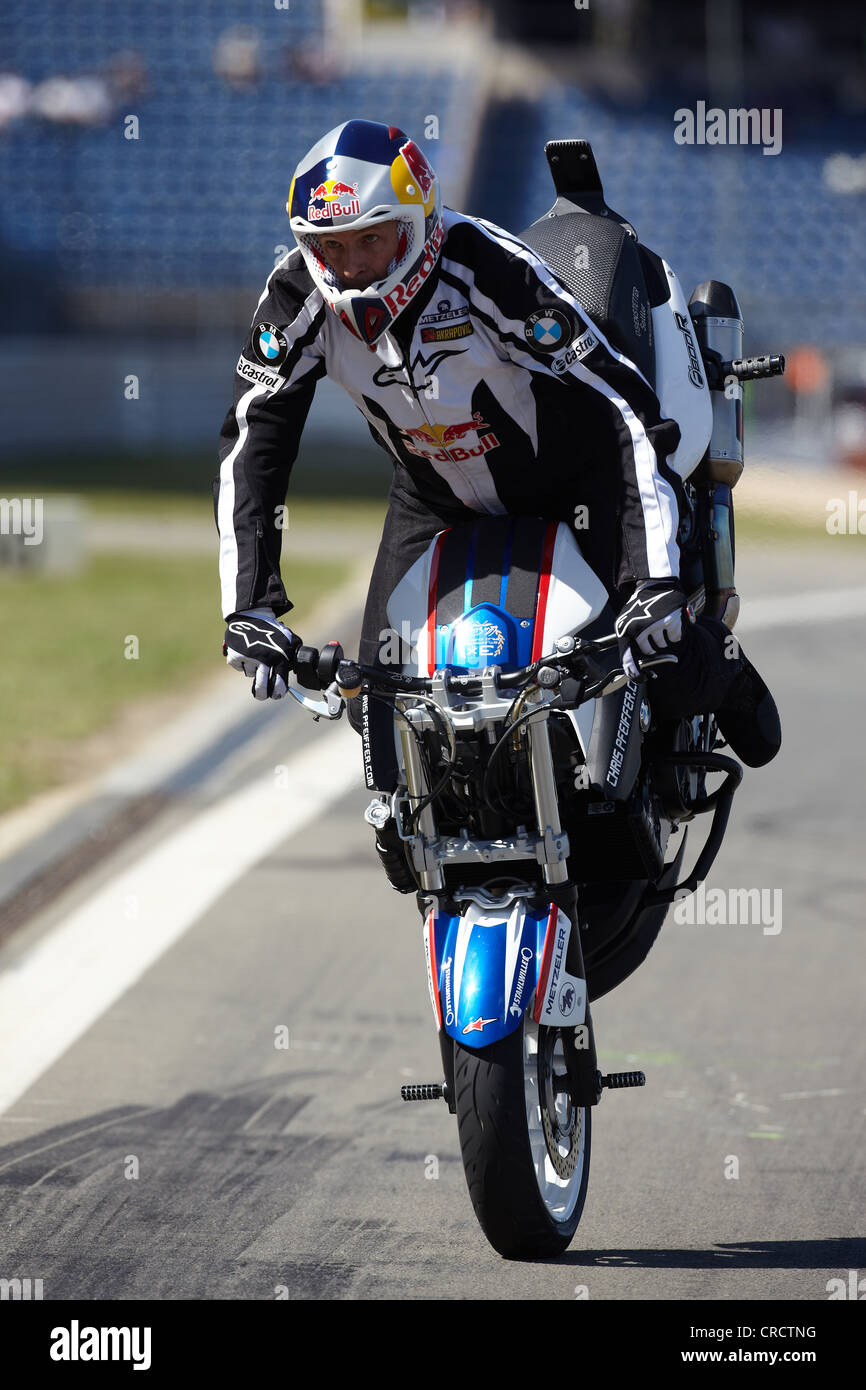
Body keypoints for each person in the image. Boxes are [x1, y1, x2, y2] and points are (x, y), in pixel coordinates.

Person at [215, 120, 780, 873]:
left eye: (371, 241)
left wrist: (654, 584)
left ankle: (725, 668)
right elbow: (250, 441)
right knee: (382, 713)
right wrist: (248, 607)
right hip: (433, 496)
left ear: (417, 227)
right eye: (331, 248)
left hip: (573, 480)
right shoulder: (294, 298)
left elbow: (621, 403)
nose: (349, 268)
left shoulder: (489, 269)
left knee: (659, 655)